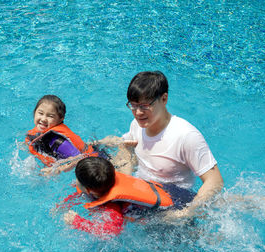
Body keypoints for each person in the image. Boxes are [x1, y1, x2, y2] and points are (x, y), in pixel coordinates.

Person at [101, 71, 224, 222]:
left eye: (144, 106)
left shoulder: (186, 136)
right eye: (133, 105)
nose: (138, 113)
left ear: (164, 99)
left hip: (174, 202)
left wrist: (186, 213)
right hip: (144, 194)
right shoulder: (137, 125)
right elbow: (126, 152)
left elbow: (214, 181)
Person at [61, 157, 194, 237]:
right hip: (173, 192)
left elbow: (112, 232)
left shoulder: (112, 206)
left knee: (193, 233)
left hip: (172, 213)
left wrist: (78, 222)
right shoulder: (105, 179)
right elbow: (82, 193)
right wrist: (64, 204)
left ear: (89, 189)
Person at [26, 95, 95, 173]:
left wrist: (58, 170)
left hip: (93, 161)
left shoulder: (58, 142)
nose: (43, 119)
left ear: (60, 119)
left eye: (50, 116)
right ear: (34, 112)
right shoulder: (39, 132)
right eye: (41, 113)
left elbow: (80, 159)